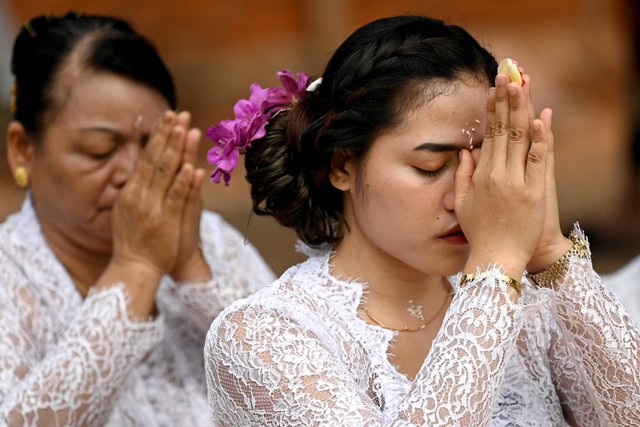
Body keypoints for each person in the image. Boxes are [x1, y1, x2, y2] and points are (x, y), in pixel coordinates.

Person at [203, 15, 640, 426]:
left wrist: (548, 251)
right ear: (341, 166)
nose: (468, 198)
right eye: (431, 166)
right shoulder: (262, 337)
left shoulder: (527, 304)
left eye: (488, 164)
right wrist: (494, 267)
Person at [0, 12, 274, 426]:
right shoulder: (8, 275)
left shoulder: (212, 240)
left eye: (153, 145)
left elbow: (304, 395)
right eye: (99, 151)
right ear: (23, 150)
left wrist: (191, 269)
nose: (133, 173)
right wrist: (137, 267)